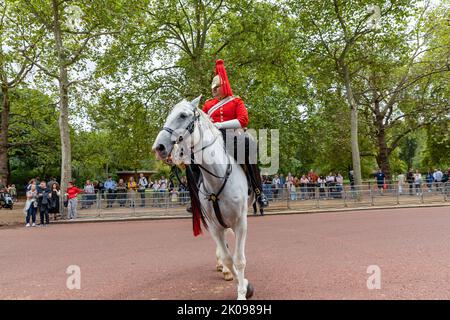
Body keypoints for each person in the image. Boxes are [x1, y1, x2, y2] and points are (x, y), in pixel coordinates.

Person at [186, 59, 268, 213]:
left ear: (224, 87)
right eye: (212, 88)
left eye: (216, 87)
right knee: (192, 158)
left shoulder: (236, 101)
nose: (213, 90)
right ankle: (196, 198)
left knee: (248, 148)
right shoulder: (208, 105)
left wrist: (221, 125)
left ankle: (259, 192)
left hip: (232, 136)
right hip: (213, 139)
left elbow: (243, 120)